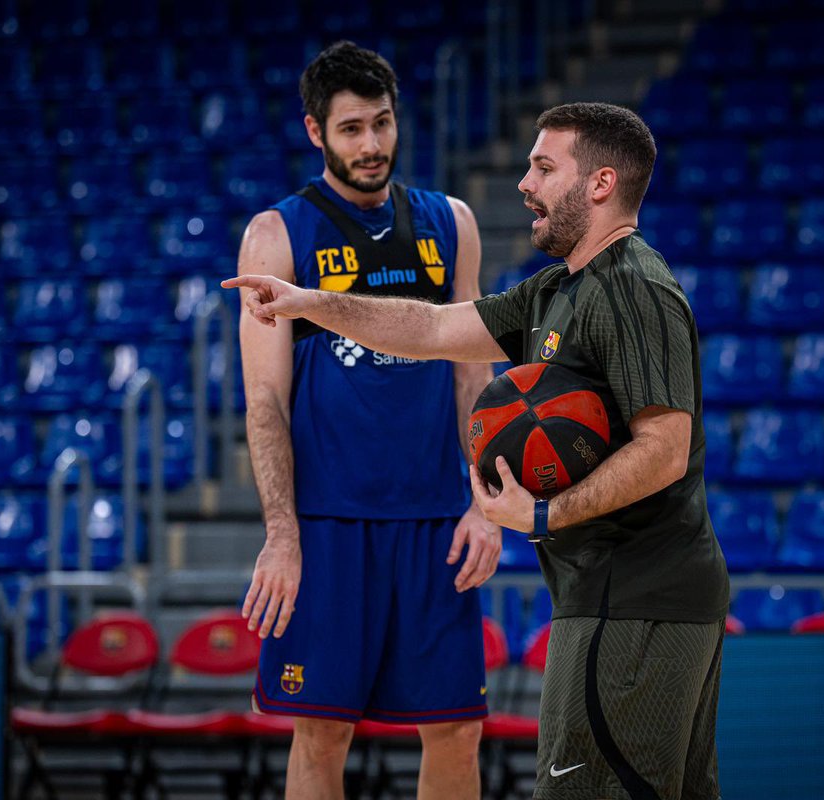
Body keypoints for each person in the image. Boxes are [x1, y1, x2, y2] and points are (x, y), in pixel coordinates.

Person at [225, 102, 731, 800]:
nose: (525, 182)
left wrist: (545, 514)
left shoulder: (632, 285)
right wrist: (311, 302)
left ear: (601, 184)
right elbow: (432, 327)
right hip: (616, 597)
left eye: (544, 167)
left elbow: (666, 450)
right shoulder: (561, 288)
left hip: (638, 601)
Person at [235, 41, 500, 800]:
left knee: (457, 730)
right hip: (327, 526)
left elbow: (475, 376)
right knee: (322, 732)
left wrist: (484, 506)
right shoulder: (276, 236)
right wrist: (283, 535)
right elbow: (265, 402)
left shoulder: (450, 224)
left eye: (382, 123)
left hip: (432, 521)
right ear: (316, 132)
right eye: (351, 129)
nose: (373, 145)